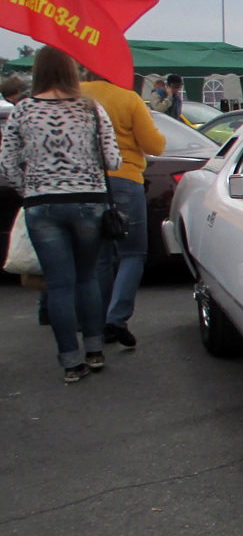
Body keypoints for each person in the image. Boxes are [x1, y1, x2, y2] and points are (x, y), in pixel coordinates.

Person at [0, 46, 121, 383]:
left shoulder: (22, 111)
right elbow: (112, 160)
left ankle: (71, 362)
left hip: (43, 205)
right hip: (88, 202)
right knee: (87, 278)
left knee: (59, 285)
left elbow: (7, 166)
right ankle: (95, 350)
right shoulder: (91, 110)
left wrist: (31, 189)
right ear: (71, 71)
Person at [81, 70, 166, 348]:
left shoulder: (74, 95)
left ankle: (97, 320)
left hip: (85, 183)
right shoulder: (127, 99)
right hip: (125, 178)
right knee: (132, 253)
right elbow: (154, 145)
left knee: (101, 258)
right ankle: (116, 318)